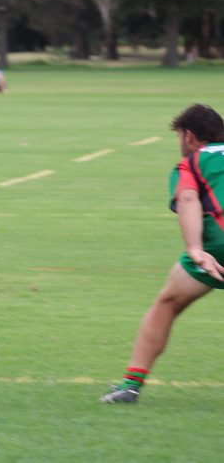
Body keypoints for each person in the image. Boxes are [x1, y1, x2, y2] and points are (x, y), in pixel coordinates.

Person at [101, 104, 224, 403]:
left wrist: (195, 249)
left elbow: (187, 197)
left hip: (218, 248)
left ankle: (130, 385)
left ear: (189, 135)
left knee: (167, 303)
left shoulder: (193, 162)